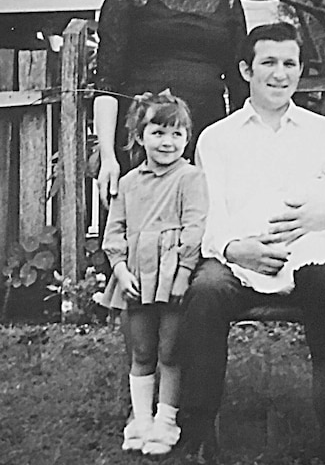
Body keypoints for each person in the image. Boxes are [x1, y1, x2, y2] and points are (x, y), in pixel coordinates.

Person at [176, 22, 325, 464]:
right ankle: (198, 428)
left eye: (290, 64)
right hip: (237, 259)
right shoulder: (217, 138)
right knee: (205, 293)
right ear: (246, 69)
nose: (279, 73)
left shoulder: (323, 132)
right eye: (268, 62)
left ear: (301, 71)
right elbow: (205, 213)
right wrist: (233, 248)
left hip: (308, 253)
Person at [93, 0, 247, 205]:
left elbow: (240, 85)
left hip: (206, 142)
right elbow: (106, 82)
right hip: (143, 142)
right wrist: (108, 156)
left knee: (202, 242)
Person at [97, 91, 208, 456]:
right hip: (136, 277)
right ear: (139, 136)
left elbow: (195, 228)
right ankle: (141, 420)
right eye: (158, 132)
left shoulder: (191, 178)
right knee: (142, 350)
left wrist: (183, 272)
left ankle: (166, 420)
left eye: (177, 134)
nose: (168, 142)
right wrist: (119, 268)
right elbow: (113, 232)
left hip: (173, 275)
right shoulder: (128, 184)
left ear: (187, 138)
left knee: (171, 350)